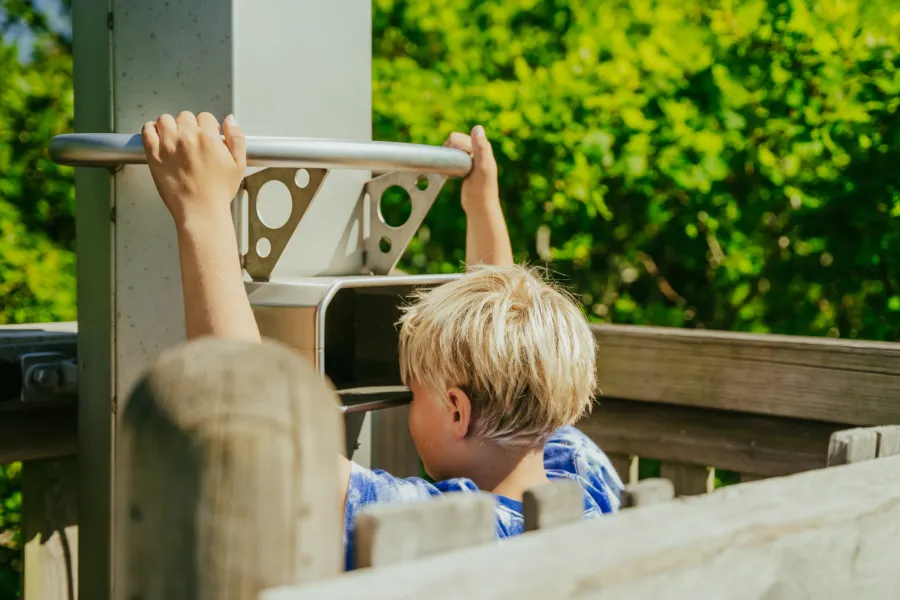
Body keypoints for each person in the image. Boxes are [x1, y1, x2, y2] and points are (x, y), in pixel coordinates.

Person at [141, 112, 624, 571]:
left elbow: (258, 438)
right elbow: (514, 352)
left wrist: (202, 212)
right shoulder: (581, 474)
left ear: (457, 411)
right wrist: (483, 205)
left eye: (414, 393)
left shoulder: (439, 532)